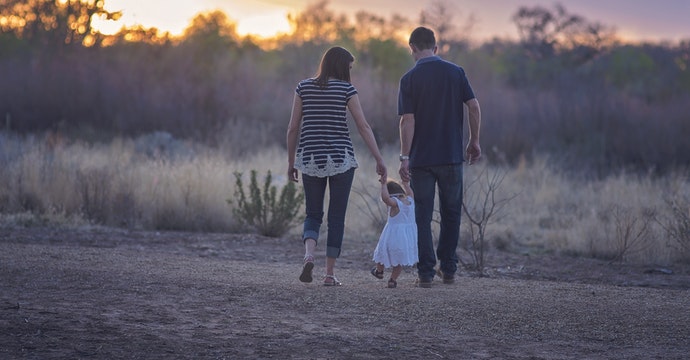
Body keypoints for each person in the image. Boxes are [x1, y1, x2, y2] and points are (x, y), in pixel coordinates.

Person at [287, 46, 387, 286]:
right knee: (336, 218)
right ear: (342, 66)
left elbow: (292, 128)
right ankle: (329, 274)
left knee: (313, 214)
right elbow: (363, 126)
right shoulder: (346, 89)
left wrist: (291, 162)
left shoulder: (303, 87)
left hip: (310, 159)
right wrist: (379, 158)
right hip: (341, 159)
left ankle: (309, 255)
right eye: (349, 67)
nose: (350, 72)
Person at [397, 26, 482, 288]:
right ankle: (449, 269)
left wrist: (404, 157)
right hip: (451, 157)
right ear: (436, 47)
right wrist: (474, 140)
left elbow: (406, 121)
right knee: (451, 212)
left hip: (421, 160)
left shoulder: (409, 79)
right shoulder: (456, 73)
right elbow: (474, 106)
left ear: (412, 48)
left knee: (422, 215)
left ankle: (425, 273)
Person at [371, 178, 418, 288]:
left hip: (392, 237)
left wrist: (383, 185)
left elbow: (385, 198)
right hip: (406, 239)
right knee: (399, 261)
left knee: (381, 253)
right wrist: (405, 183)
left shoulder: (395, 203)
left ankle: (379, 271)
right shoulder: (410, 201)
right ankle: (392, 280)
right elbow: (410, 192)